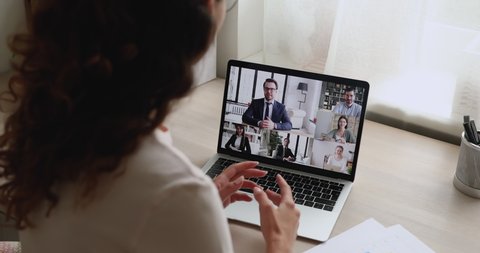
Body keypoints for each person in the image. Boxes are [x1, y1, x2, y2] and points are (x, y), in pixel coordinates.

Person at [0, 1, 300, 253]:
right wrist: (279, 243)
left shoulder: (44, 133)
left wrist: (192, 209)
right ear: (207, 11)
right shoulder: (179, 196)